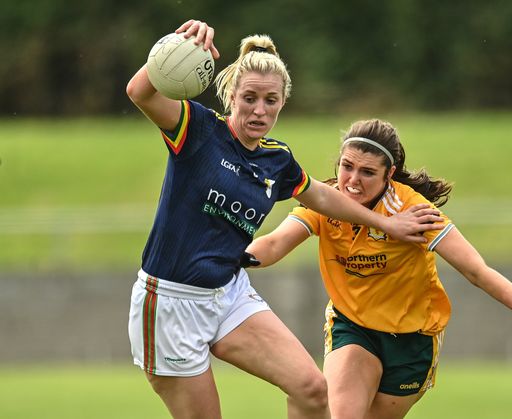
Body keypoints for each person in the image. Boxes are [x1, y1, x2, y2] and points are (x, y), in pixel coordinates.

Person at [125, 20, 445, 419]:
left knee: (312, 390)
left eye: (271, 100)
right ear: (231, 95)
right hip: (170, 302)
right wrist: (179, 43)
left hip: (227, 294)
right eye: (250, 98)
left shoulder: (276, 158)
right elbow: (139, 92)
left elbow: (322, 196)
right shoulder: (198, 129)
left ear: (282, 103)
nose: (260, 110)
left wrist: (388, 224)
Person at [245, 118, 512, 419]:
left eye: (367, 172)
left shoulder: (415, 212)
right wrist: (227, 257)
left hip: (413, 341)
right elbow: (274, 245)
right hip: (353, 326)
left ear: (389, 174)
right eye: (347, 167)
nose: (352, 181)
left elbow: (476, 270)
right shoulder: (326, 202)